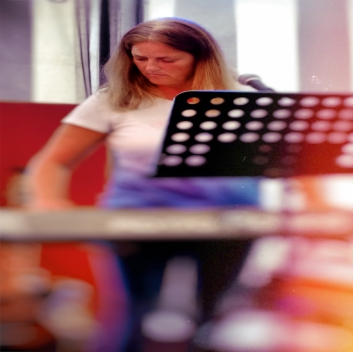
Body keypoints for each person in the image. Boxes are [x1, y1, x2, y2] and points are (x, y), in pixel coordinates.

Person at [27, 17, 260, 351]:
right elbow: (52, 162)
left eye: (166, 60)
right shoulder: (115, 99)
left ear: (199, 57)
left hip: (226, 221)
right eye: (140, 58)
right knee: (131, 317)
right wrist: (47, 201)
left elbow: (287, 157)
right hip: (137, 221)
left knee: (216, 319)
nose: (151, 67)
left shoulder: (242, 97)